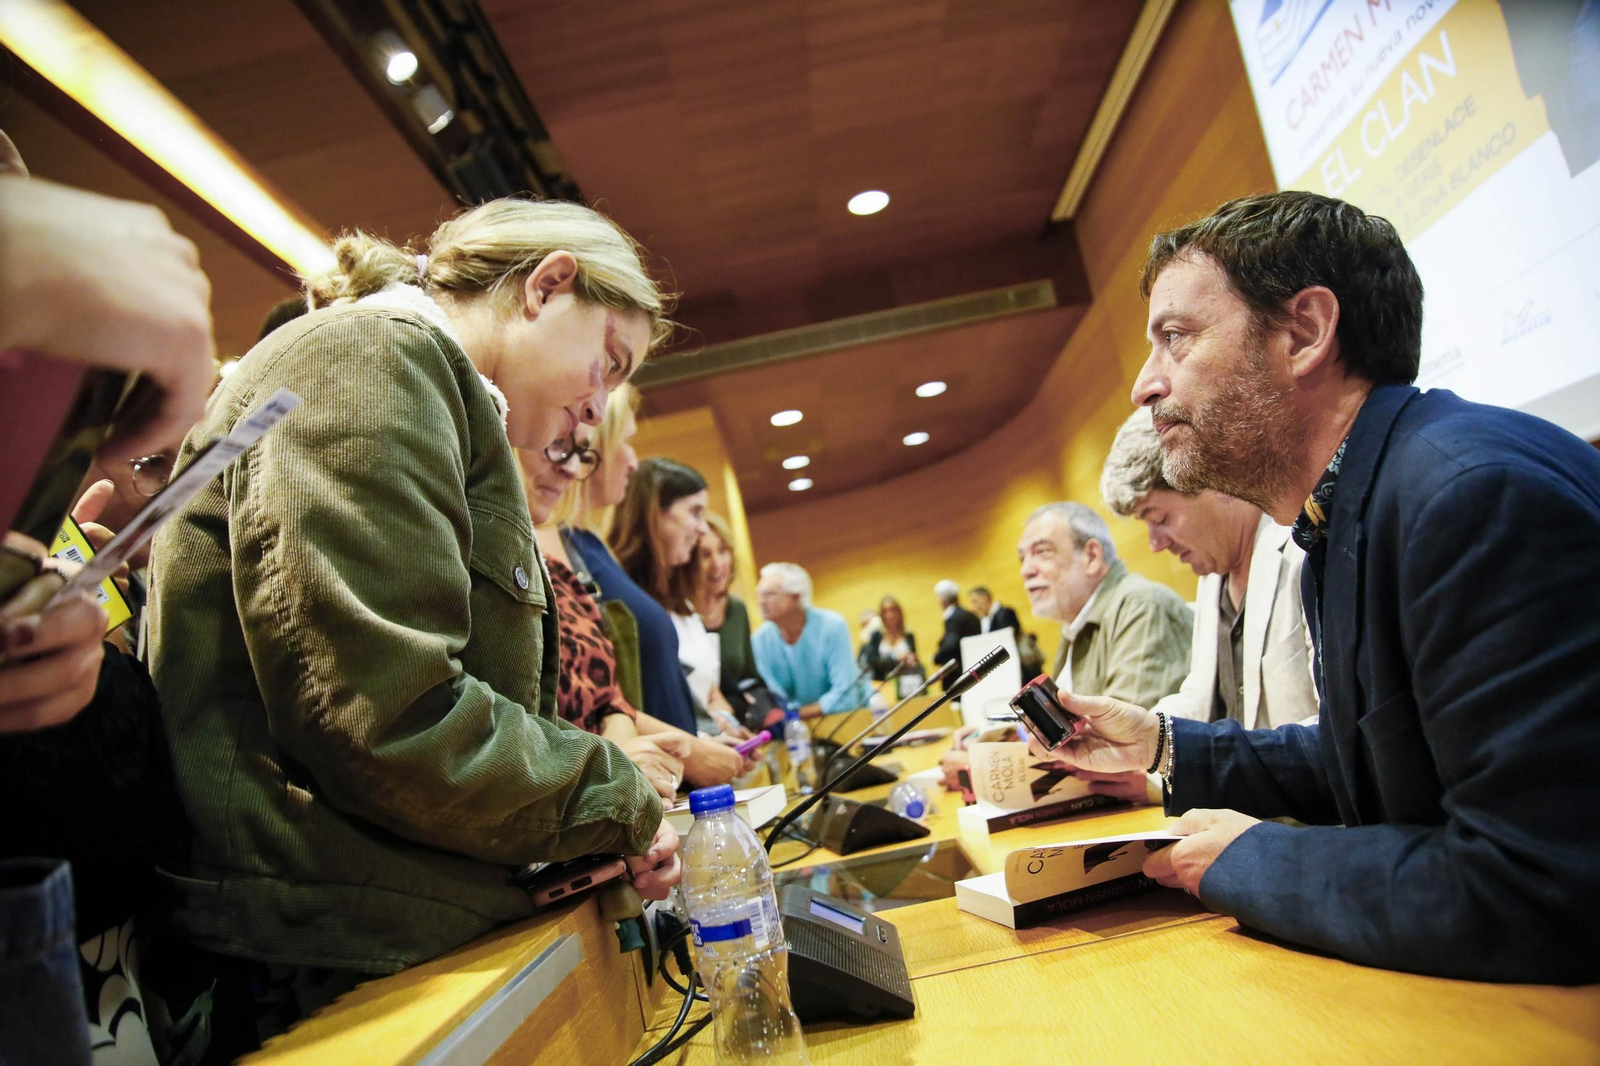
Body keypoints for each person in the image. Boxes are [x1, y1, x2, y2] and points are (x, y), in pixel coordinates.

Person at [147, 199, 683, 1050]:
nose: (597, 407)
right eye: (607, 362)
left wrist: (591, 828)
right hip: (323, 953)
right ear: (547, 286)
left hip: (369, 925)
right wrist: (616, 794)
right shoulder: (371, 356)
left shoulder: (428, 387)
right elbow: (386, 714)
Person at [1048, 190, 1600, 984]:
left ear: (1304, 333)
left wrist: (1254, 858)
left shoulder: (1468, 498)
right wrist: (1164, 743)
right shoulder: (1350, 510)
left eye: (1175, 338)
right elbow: (1370, 761)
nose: (1144, 385)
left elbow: (1537, 888)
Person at [537, 389, 750, 788]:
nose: (634, 462)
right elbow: (587, 697)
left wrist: (697, 743)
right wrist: (692, 751)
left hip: (649, 776)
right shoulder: (558, 545)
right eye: (627, 442)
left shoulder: (587, 545)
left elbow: (612, 700)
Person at [941, 503, 1192, 790]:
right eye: (1022, 558)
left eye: (1042, 552)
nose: (1025, 570)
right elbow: (1065, 728)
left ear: (1091, 556)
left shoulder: (1142, 606)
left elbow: (1125, 755)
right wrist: (999, 736)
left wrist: (985, 769)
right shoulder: (1075, 623)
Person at [1101, 407, 1317, 731]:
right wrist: (1136, 731)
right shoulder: (1213, 576)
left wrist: (1209, 752)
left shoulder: (1304, 551)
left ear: (1216, 481)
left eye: (1160, 519)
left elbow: (1335, 728)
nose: (1155, 544)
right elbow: (1202, 700)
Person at [517, 440, 690, 800]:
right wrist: (611, 769)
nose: (573, 467)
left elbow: (610, 699)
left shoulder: (561, 572)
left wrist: (617, 770)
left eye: (581, 451)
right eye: (557, 445)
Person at [610, 457, 748, 738]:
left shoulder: (683, 606)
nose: (702, 528)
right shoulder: (621, 604)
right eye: (694, 512)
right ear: (654, 513)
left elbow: (712, 692)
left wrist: (723, 724)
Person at [751, 562, 867, 719]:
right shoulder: (759, 640)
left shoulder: (832, 626)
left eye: (768, 594)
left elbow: (846, 697)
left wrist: (795, 715)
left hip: (851, 719)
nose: (761, 601)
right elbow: (775, 701)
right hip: (795, 726)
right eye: (759, 594)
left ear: (796, 597)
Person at [690, 512, 766, 703]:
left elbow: (750, 676)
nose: (717, 564)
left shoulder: (736, 609)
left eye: (723, 551)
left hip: (735, 715)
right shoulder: (678, 613)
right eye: (705, 555)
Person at [930, 579, 981, 690]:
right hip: (976, 669)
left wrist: (936, 657)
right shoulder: (971, 615)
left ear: (943, 599)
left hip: (959, 673)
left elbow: (951, 645)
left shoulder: (952, 618)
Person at [857, 596, 918, 681]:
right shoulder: (876, 636)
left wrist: (913, 659)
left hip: (906, 681)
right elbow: (873, 662)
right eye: (885, 611)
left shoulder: (908, 636)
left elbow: (914, 660)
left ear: (899, 612)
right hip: (883, 682)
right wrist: (897, 659)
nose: (890, 615)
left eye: (893, 610)